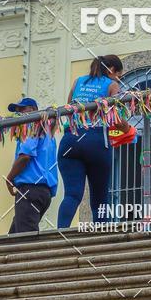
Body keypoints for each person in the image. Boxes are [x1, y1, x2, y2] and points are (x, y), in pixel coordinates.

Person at [57, 54, 134, 228]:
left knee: (71, 195)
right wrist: (128, 130)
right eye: (119, 76)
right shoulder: (112, 85)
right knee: (100, 197)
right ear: (112, 70)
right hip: (96, 140)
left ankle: (60, 233)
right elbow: (115, 119)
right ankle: (100, 235)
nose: (119, 81)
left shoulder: (78, 82)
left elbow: (69, 109)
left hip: (70, 140)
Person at [6, 97, 58, 234]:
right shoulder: (47, 132)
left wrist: (9, 178)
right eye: (17, 112)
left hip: (30, 189)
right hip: (43, 192)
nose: (19, 115)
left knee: (25, 237)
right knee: (14, 235)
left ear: (34, 110)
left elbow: (25, 157)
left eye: (23, 110)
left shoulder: (32, 126)